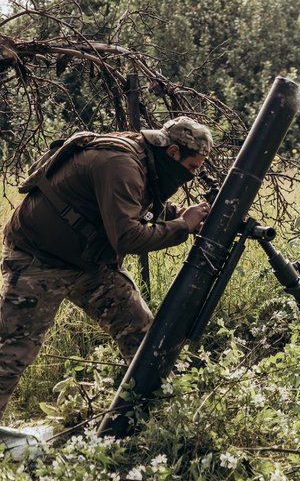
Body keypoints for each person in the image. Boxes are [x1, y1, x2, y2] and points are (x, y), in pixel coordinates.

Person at [0, 116, 214, 422]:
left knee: (142, 332)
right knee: (13, 351)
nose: (192, 176)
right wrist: (182, 226)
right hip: (37, 260)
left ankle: (145, 422)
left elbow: (131, 204)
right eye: (192, 168)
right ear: (173, 153)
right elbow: (126, 236)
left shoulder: (143, 159)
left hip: (87, 263)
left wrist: (178, 214)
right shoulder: (121, 163)